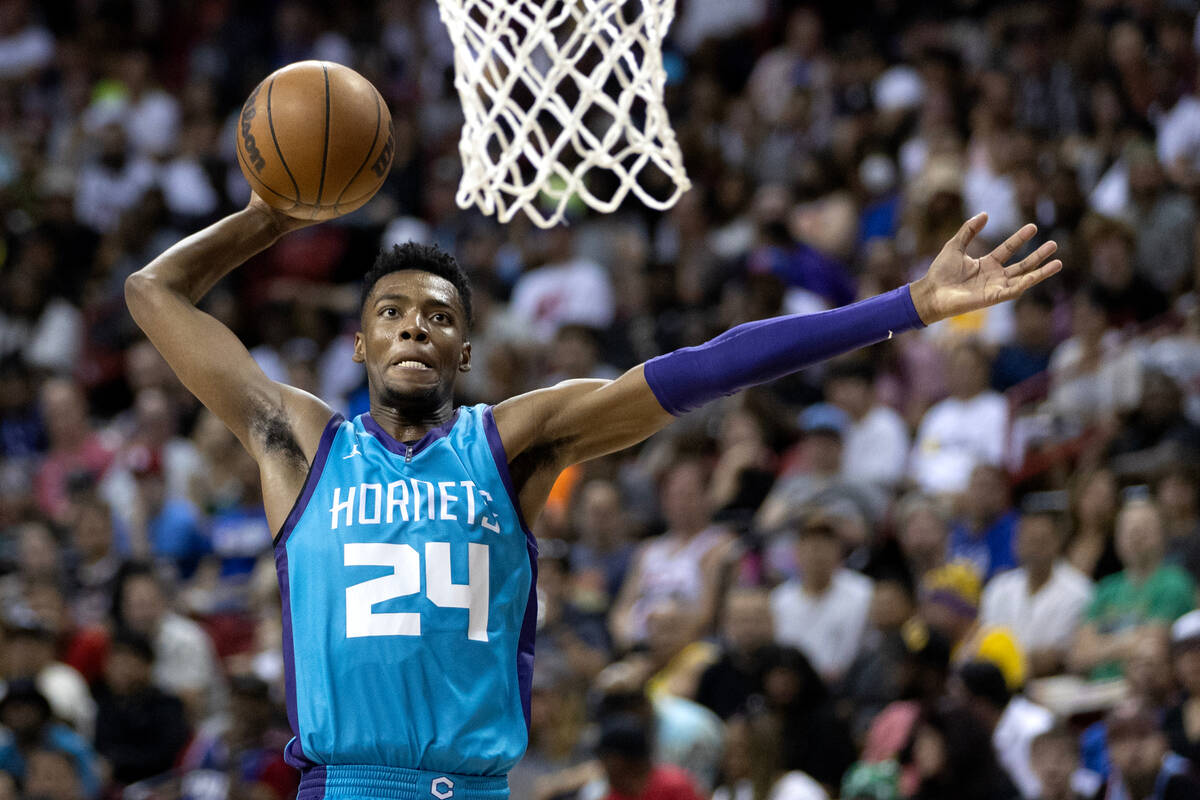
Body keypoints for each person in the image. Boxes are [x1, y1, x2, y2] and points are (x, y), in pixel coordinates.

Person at [124, 188, 1059, 799]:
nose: (415, 328)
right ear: (360, 345)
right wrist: (277, 213)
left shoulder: (512, 444)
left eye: (439, 318)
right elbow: (155, 291)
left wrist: (907, 307)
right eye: (392, 313)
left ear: (465, 353)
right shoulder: (300, 443)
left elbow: (704, 369)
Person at [1069, 499, 1195, 680]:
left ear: (1162, 534)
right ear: (1117, 538)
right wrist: (1131, 643)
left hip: (1149, 693)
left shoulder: (1175, 583)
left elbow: (1154, 647)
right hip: (1098, 692)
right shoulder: (1106, 588)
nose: (1135, 536)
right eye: (1128, 530)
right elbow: (1078, 656)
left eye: (1144, 529)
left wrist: (1099, 648)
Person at [979, 506, 1094, 677]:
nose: (1033, 548)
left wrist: (1010, 659)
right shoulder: (999, 587)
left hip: (1057, 682)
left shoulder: (1079, 590)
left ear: (1057, 542)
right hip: (999, 684)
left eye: (1040, 541)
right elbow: (987, 645)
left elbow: (1057, 657)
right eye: (1027, 540)